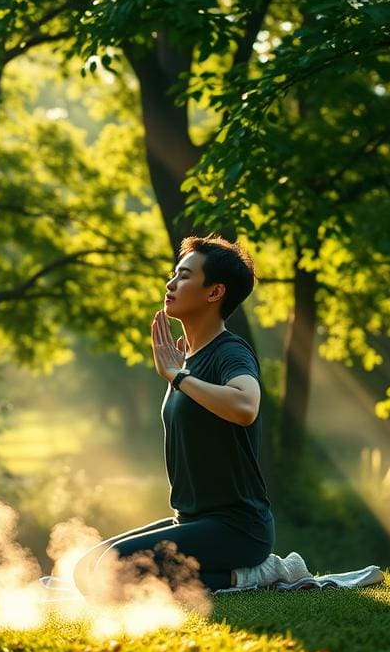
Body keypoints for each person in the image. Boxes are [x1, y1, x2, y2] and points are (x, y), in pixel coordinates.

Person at [72, 234, 311, 595]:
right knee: (85, 568)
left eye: (184, 276)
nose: (171, 283)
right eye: (174, 273)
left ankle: (258, 574)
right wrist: (182, 370)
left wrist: (179, 377)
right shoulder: (188, 360)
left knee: (111, 572)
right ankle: (240, 574)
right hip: (193, 522)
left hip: (237, 529)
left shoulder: (229, 352)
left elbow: (246, 406)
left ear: (214, 292)